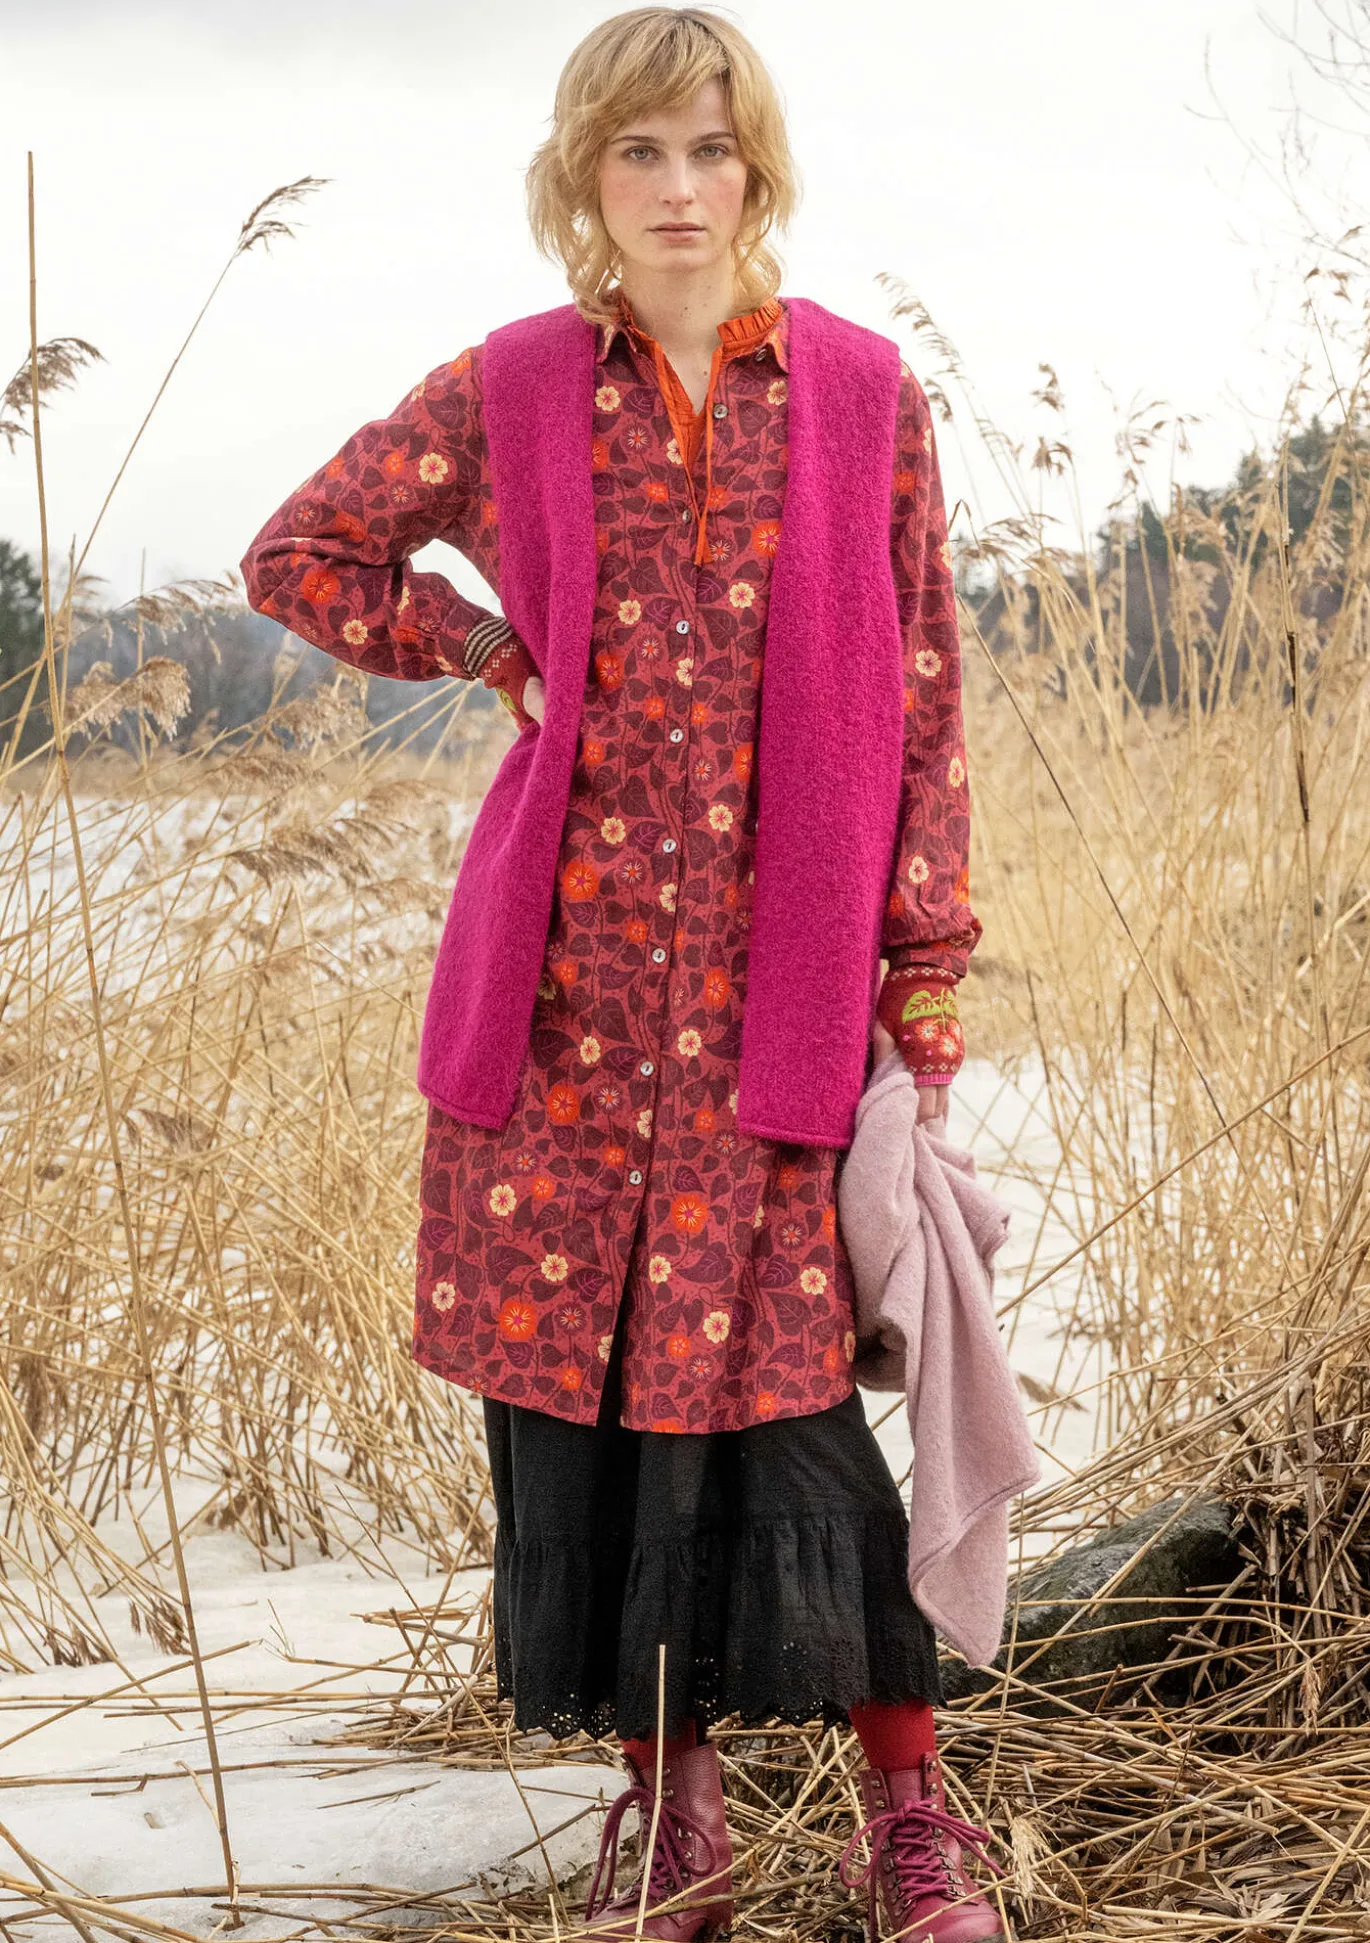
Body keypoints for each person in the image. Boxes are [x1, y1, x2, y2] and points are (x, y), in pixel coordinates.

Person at [241, 9, 1001, 1938]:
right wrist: (487, 649)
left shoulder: (858, 391)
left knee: (799, 1405)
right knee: (584, 1417)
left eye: (710, 150)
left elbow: (920, 689)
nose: (677, 188)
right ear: (584, 174)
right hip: (563, 1007)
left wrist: (922, 982)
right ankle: (673, 1820)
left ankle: (909, 1819)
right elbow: (300, 551)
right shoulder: (509, 387)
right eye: (639, 152)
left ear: (758, 171)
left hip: (779, 1000)